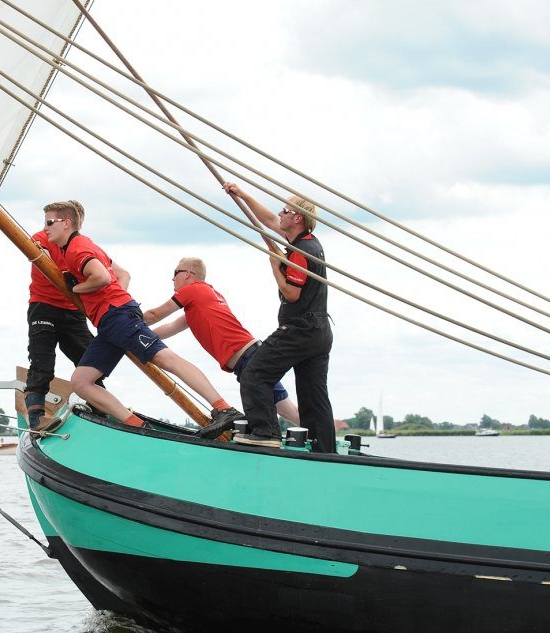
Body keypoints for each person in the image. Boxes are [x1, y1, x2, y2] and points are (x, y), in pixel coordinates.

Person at [43, 201, 236, 428]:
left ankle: (224, 408)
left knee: (165, 359)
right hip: (109, 321)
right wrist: (110, 300)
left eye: (49, 222)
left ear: (66, 223)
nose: (45, 228)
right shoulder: (80, 246)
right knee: (81, 382)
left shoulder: (77, 249)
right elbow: (122, 275)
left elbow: (103, 277)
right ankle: (137, 426)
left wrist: (78, 289)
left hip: (117, 316)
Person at [223, 183, 335, 452]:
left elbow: (291, 293)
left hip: (299, 329)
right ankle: (324, 451)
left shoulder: (300, 252)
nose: (279, 214)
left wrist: (275, 265)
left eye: (285, 210)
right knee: (314, 396)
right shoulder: (305, 242)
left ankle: (265, 433)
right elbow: (269, 220)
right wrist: (242, 193)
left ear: (297, 218)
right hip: (319, 333)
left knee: (254, 375)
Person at [142, 257, 301, 442]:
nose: (172, 279)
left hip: (249, 359)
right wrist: (142, 338)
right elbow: (171, 327)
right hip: (252, 356)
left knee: (273, 411)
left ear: (188, 274)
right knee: (286, 408)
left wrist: (128, 322)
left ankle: (277, 439)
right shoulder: (205, 295)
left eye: (175, 273)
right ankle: (322, 436)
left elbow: (154, 315)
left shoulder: (193, 290)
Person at [24, 200, 100, 431]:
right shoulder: (41, 237)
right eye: (46, 223)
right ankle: (37, 415)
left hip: (72, 310)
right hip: (44, 306)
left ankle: (102, 406)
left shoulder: (82, 246)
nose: (47, 227)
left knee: (90, 359)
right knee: (42, 361)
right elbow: (39, 253)